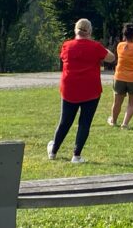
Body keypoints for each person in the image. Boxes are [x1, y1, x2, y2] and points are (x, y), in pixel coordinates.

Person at [47, 19, 115, 163]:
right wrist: (102, 48)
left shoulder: (66, 46)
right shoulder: (96, 47)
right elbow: (111, 58)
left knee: (65, 121)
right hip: (91, 90)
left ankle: (53, 151)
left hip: (69, 89)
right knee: (84, 123)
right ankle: (76, 155)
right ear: (89, 32)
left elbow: (63, 58)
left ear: (75, 30)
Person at [108, 23, 133, 129]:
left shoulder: (120, 46)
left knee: (117, 102)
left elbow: (132, 47)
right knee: (132, 103)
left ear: (124, 34)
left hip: (120, 77)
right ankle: (125, 123)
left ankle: (113, 120)